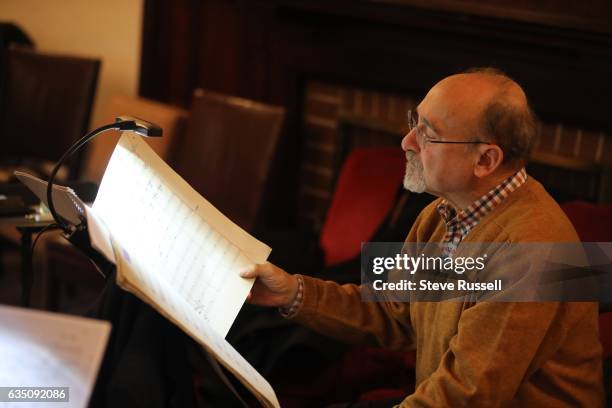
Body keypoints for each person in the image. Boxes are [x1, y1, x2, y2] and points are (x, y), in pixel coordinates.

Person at [240, 68, 604, 406]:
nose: (406, 142)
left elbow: (468, 393)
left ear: (486, 160)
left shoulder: (529, 249)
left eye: (428, 133)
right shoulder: (444, 213)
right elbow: (393, 312)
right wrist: (292, 291)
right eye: (414, 121)